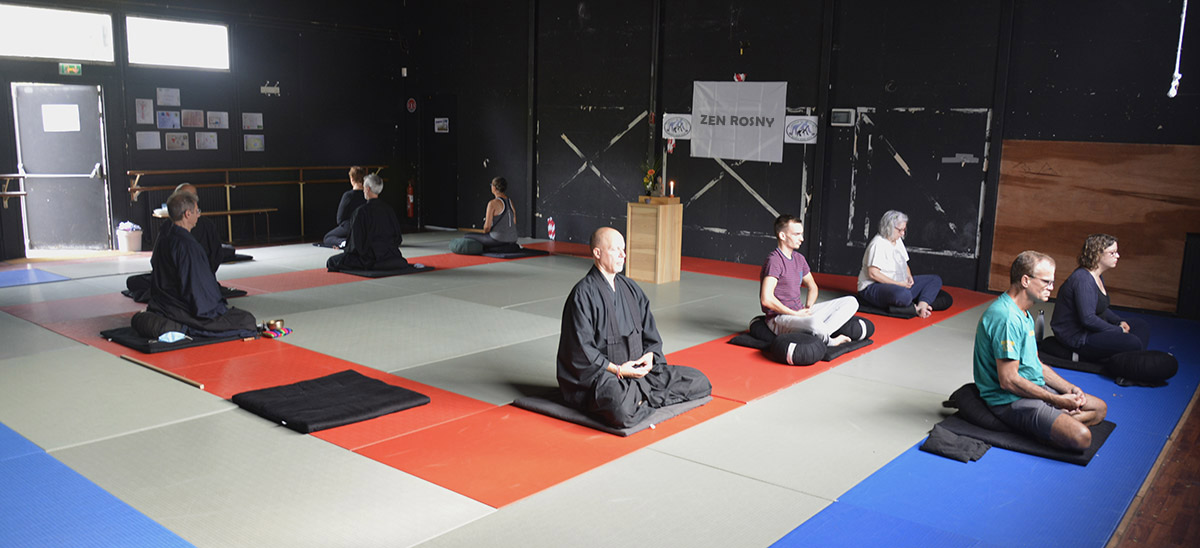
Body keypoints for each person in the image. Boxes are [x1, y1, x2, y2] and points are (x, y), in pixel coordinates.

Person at [557, 227, 712, 428]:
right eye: (616, 250)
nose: (623, 255)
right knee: (620, 409)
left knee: (699, 381)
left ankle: (641, 399)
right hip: (606, 377)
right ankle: (639, 398)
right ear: (597, 253)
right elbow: (580, 350)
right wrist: (619, 370)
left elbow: (650, 335)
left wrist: (651, 356)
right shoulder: (583, 294)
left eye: (624, 249)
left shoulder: (630, 288)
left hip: (641, 373)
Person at [974, 251, 1107, 451]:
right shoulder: (1006, 318)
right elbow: (1008, 380)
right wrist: (1056, 400)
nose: (1051, 288)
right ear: (1026, 280)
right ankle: (1053, 426)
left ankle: (1056, 423)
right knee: (1082, 437)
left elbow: (1037, 365)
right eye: (1046, 282)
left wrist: (1069, 389)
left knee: (1099, 408)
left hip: (1034, 389)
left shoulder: (1024, 313)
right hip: (1011, 400)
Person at [132, 191, 257, 338]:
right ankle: (180, 327)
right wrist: (216, 308)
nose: (198, 215)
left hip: (163, 304)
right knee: (246, 320)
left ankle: (167, 324)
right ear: (187, 214)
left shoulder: (164, 237)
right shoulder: (187, 246)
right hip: (182, 309)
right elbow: (197, 291)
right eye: (197, 211)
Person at [125, 183, 238, 302]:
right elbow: (157, 260)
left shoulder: (196, 228)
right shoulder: (170, 228)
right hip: (192, 283)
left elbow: (216, 254)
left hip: (182, 284)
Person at [760, 214, 858, 346]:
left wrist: (808, 309)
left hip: (799, 312)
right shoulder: (774, 261)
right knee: (813, 323)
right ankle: (830, 341)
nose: (802, 238)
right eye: (797, 234)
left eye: (802, 234)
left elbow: (812, 286)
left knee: (851, 302)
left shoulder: (799, 259)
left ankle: (821, 334)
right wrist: (795, 314)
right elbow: (766, 299)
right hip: (780, 318)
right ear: (782, 236)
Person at [1050, 234, 1150, 360]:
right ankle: (1128, 362)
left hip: (1090, 329)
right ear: (1097, 255)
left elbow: (1100, 308)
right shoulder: (1083, 279)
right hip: (1078, 336)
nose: (1117, 256)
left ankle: (1131, 359)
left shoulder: (1097, 276)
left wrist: (1118, 321)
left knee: (1140, 325)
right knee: (1132, 342)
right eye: (1112, 253)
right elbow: (1088, 319)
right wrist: (1117, 330)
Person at [857, 210, 943, 318]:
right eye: (900, 230)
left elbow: (904, 263)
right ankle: (913, 308)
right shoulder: (878, 244)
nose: (902, 234)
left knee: (935, 280)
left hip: (899, 284)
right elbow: (873, 274)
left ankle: (922, 306)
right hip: (873, 287)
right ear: (889, 228)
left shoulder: (897, 240)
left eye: (904, 230)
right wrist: (898, 284)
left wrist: (909, 276)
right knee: (904, 295)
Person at [326, 174, 410, 272]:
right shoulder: (389, 210)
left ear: (368, 189)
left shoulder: (361, 212)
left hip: (368, 258)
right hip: (390, 255)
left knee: (331, 262)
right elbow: (397, 238)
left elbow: (355, 245)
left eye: (364, 188)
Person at [463, 177, 519, 250]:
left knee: (467, 236)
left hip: (498, 239)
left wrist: (486, 233)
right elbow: (514, 221)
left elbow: (487, 227)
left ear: (494, 187)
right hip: (513, 239)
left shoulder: (492, 203)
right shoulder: (510, 201)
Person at [322, 166, 368, 248]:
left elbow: (340, 218)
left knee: (328, 237)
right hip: (365, 227)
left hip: (350, 226)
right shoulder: (368, 195)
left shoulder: (348, 196)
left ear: (352, 178)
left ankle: (345, 242)